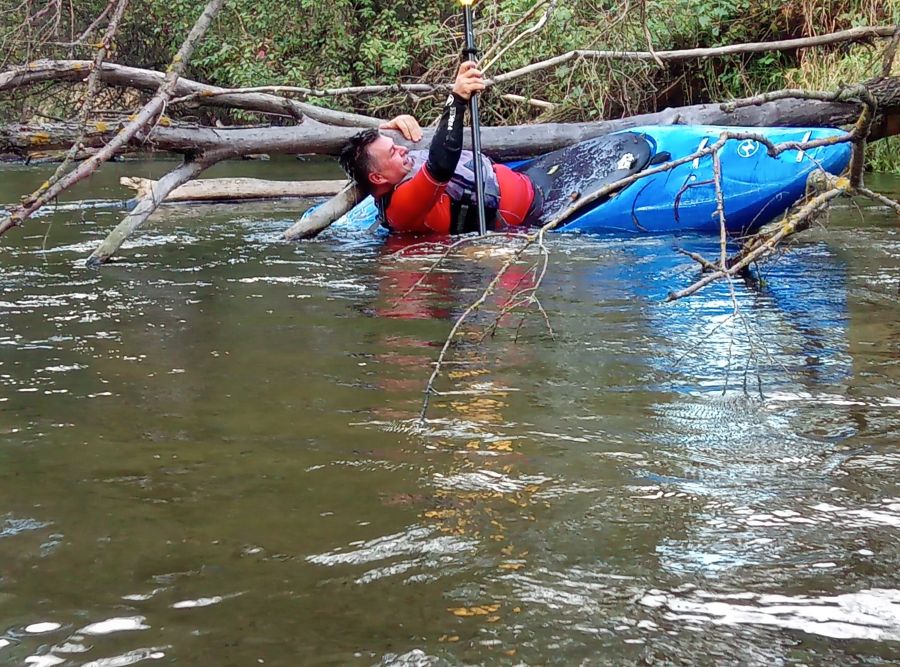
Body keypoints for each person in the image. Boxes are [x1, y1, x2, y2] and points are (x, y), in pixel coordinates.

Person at [339, 61, 537, 235]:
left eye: (396, 144)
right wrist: (457, 100)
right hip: (523, 215)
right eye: (393, 152)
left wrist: (399, 124)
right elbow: (442, 164)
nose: (403, 149)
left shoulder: (396, 174)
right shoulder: (402, 205)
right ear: (377, 178)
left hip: (522, 185)